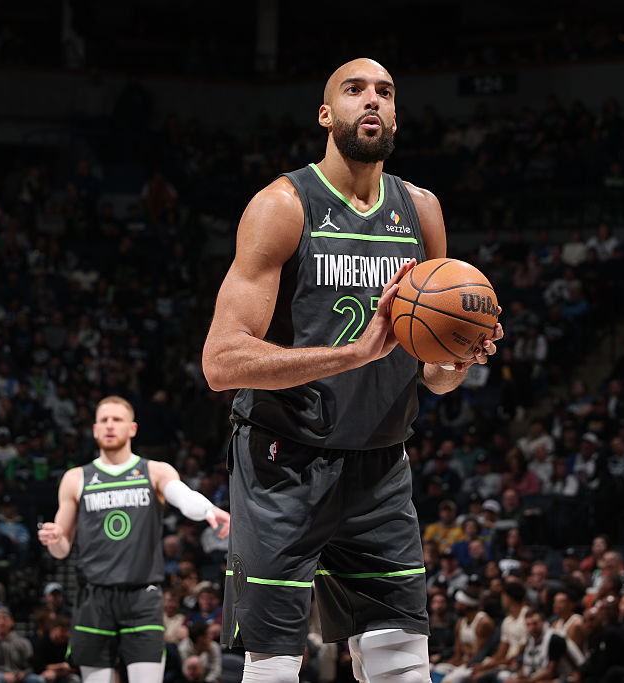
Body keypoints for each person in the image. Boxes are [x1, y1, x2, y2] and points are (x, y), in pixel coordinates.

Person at [201, 58, 501, 683]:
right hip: (284, 460)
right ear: (325, 113)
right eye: (355, 90)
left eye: (385, 92)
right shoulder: (282, 205)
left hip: (380, 463)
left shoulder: (421, 212)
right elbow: (221, 360)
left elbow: (433, 373)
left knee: (401, 665)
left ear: (396, 113)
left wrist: (459, 358)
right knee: (276, 668)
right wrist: (351, 355)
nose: (372, 101)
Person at [37, 396, 230, 683]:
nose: (110, 425)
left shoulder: (155, 471)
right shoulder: (76, 478)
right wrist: (53, 538)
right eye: (103, 420)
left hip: (143, 597)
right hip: (94, 598)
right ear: (94, 430)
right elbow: (62, 550)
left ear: (133, 428)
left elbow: (181, 495)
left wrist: (207, 509)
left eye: (117, 419)